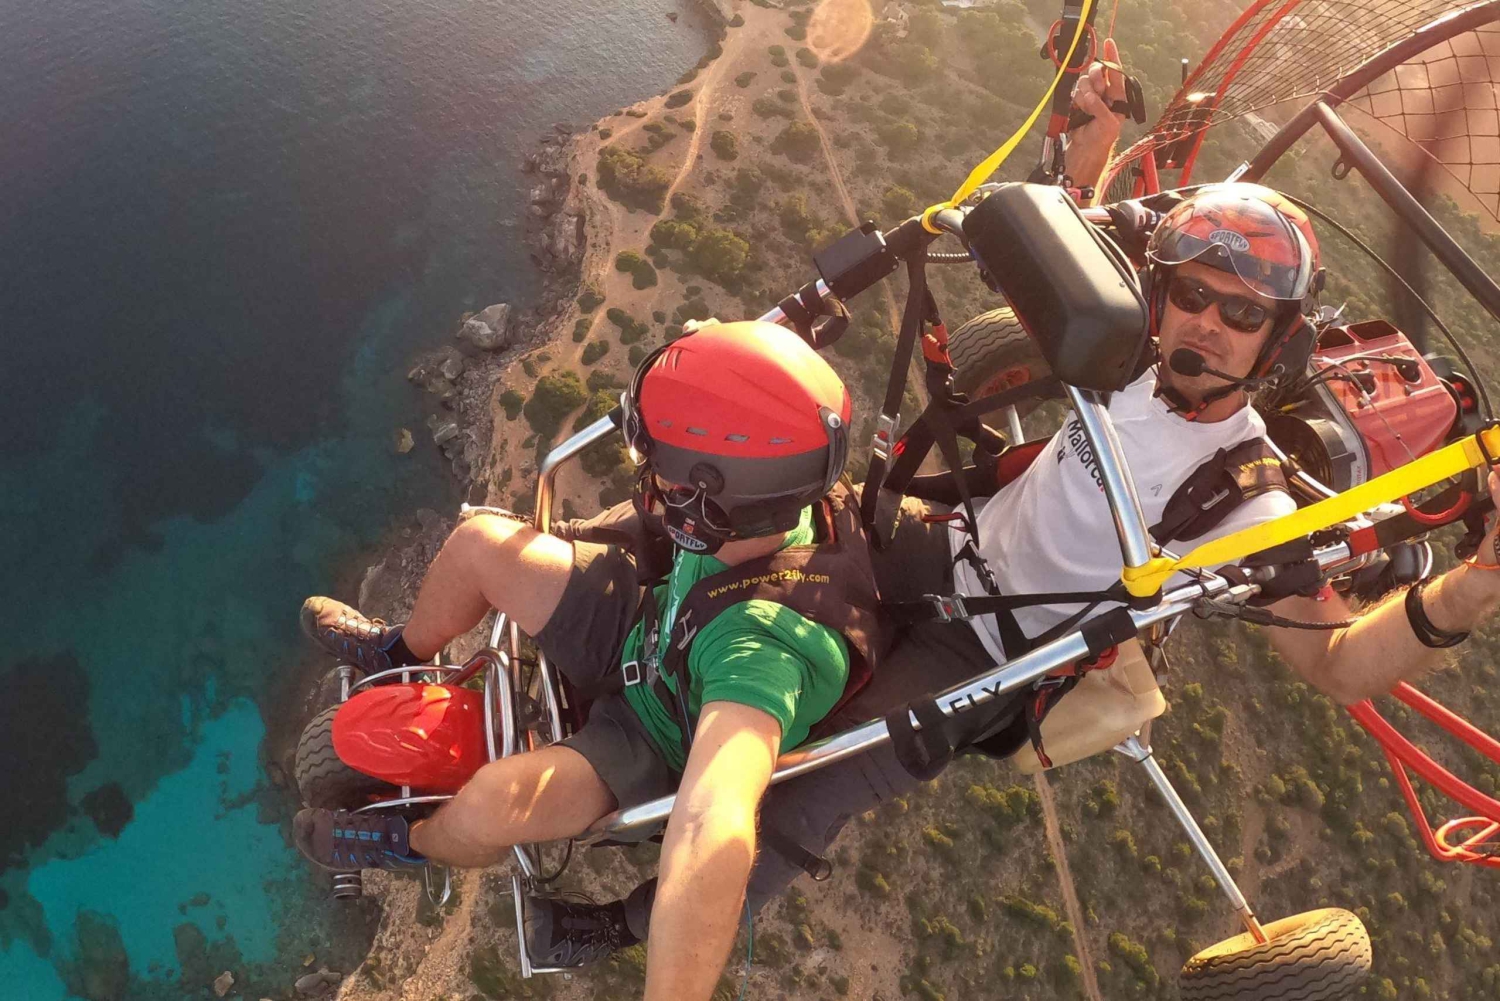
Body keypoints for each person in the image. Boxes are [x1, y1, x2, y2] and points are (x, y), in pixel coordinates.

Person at [535, 63, 1500, 968]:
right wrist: (1096, 130)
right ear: (1161, 295)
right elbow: (1066, 246)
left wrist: (1472, 586)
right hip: (944, 544)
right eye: (1192, 295)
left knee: (805, 789)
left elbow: (1338, 664)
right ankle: (569, 570)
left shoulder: (1244, 495)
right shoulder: (1128, 354)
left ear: (1278, 340)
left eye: (1241, 314)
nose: (1207, 324)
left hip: (991, 651)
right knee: (762, 504)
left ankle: (618, 925)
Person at [292, 320, 881, 999]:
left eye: (661, 472)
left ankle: (409, 842)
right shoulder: (767, 502)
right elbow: (743, 398)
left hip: (649, 740)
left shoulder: (766, 650)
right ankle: (397, 652)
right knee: (479, 545)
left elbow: (712, 820)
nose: (649, 479)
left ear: (709, 502)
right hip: (649, 627)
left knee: (492, 804)